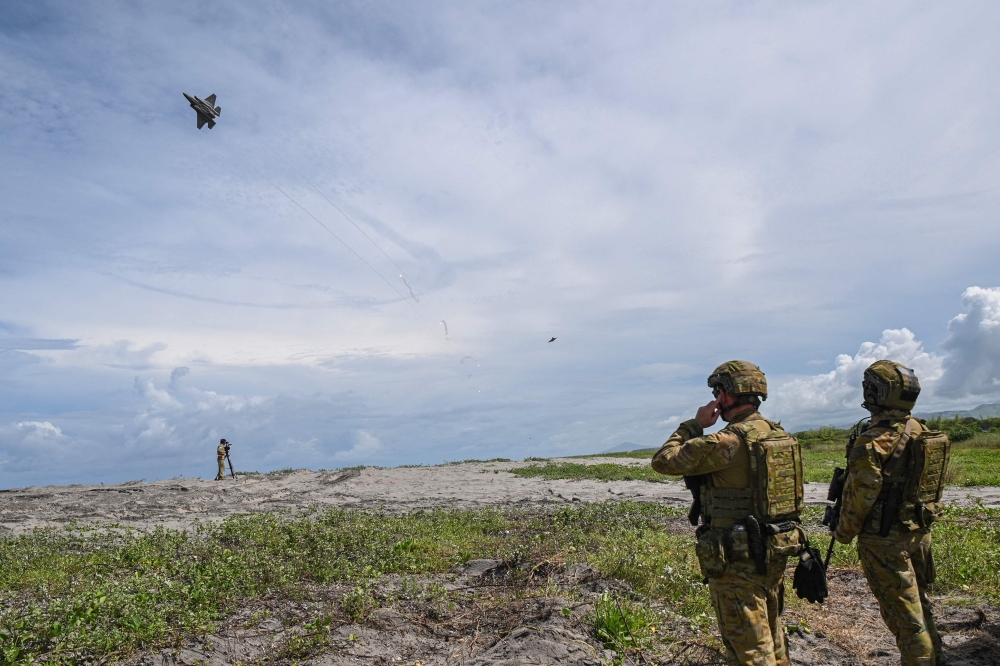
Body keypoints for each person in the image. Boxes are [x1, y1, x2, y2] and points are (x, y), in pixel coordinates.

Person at [651, 361, 805, 666]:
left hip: (737, 559)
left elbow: (664, 460)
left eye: (716, 391)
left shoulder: (728, 441)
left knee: (749, 649)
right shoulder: (778, 435)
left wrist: (693, 425)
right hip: (774, 550)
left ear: (725, 394)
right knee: (773, 638)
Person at [832, 361, 950, 666]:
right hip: (917, 534)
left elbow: (861, 497)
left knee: (905, 622)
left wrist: (842, 533)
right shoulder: (921, 431)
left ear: (874, 393)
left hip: (885, 542)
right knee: (920, 608)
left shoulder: (873, 441)